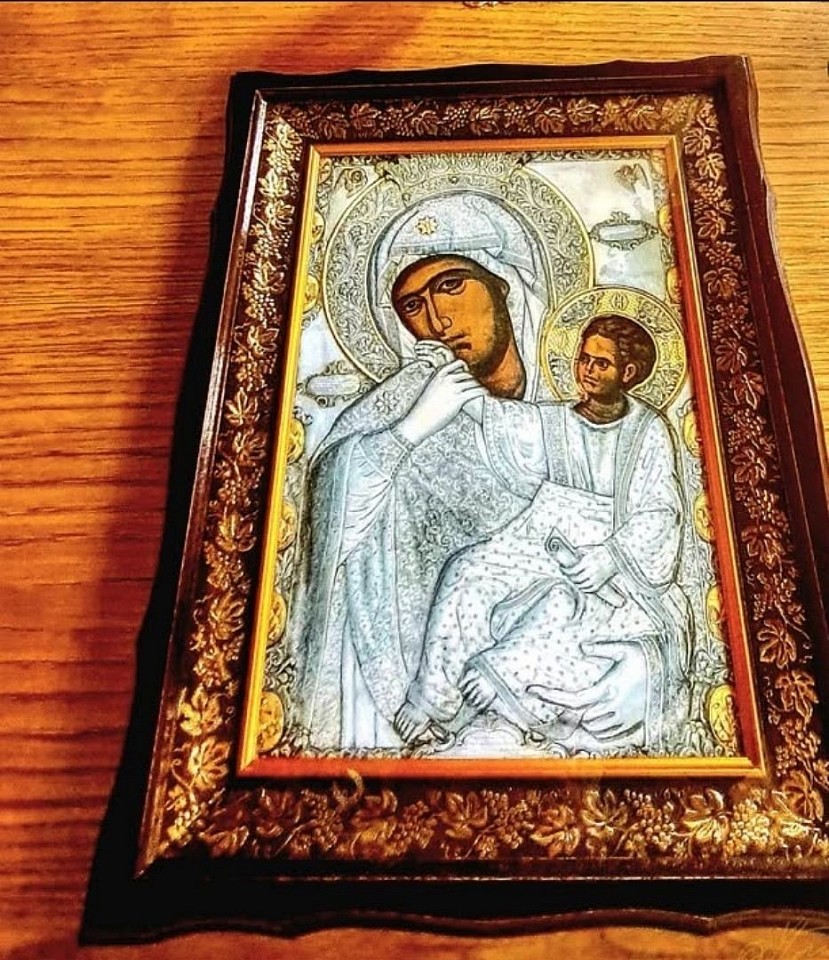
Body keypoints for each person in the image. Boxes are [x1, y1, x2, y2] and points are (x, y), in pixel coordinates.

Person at [394, 315, 691, 756]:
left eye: (602, 363)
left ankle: (503, 691)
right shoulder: (555, 423)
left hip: (607, 554)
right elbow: (491, 413)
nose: (587, 370)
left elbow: (662, 511)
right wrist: (444, 366)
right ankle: (433, 700)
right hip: (538, 537)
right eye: (583, 359)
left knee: (564, 604)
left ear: (628, 373)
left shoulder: (648, 431)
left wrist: (610, 556)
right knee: (465, 570)